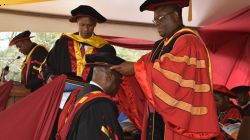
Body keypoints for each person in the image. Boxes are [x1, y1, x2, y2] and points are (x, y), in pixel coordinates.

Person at [111, 0, 219, 139]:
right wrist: (125, 68)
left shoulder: (188, 41)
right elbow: (144, 63)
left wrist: (136, 68)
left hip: (178, 121)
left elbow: (172, 76)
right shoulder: (162, 44)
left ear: (175, 15)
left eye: (160, 18)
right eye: (154, 19)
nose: (156, 23)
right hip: (157, 118)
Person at [56, 52, 124, 140]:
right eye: (119, 80)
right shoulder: (101, 104)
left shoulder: (79, 94)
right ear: (110, 76)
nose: (119, 86)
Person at [43, 5, 116, 84]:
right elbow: (49, 64)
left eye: (89, 25)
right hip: (63, 88)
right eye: (82, 25)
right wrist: (48, 76)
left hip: (90, 92)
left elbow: (109, 74)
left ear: (95, 24)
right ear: (77, 23)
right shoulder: (63, 42)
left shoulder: (105, 48)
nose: (86, 29)